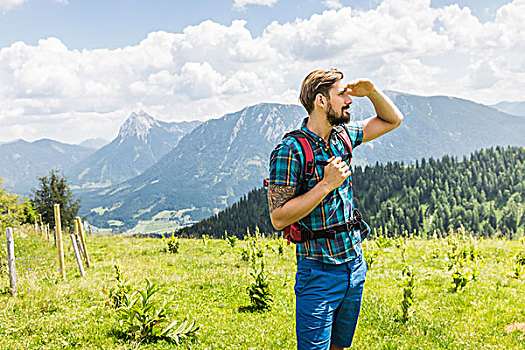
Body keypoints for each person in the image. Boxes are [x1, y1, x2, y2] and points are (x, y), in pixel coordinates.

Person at [267, 68, 403, 350]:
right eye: (341, 94)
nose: (349, 100)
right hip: (318, 269)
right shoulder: (290, 150)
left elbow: (393, 119)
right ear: (320, 101)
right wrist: (325, 184)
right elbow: (278, 218)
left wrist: (373, 92)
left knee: (341, 346)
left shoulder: (343, 135)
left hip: (354, 264)